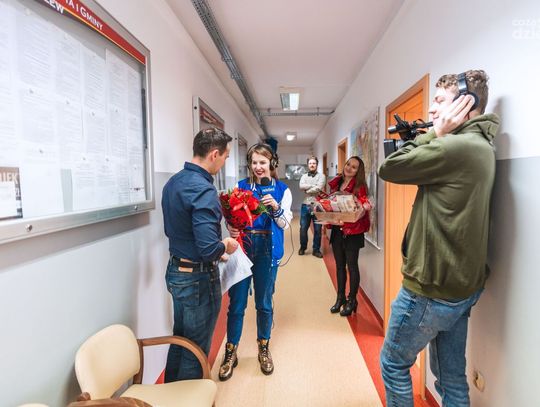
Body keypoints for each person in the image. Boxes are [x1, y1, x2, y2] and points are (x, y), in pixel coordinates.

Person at [378, 70, 499, 406]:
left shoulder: (455, 146)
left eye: (440, 101)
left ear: (465, 106)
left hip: (430, 289)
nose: (432, 110)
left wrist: (436, 133)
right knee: (450, 378)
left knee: (393, 364)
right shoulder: (481, 145)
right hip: (462, 285)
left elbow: (389, 167)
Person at [161, 127, 239, 382]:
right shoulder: (203, 190)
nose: (224, 162)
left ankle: (171, 394)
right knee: (195, 350)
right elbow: (208, 249)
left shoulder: (173, 182)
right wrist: (225, 246)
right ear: (214, 154)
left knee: (180, 340)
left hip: (177, 271)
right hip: (197, 280)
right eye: (225, 156)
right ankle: (189, 396)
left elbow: (180, 231)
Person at [218, 143, 293, 381]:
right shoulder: (240, 187)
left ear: (272, 163)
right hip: (243, 248)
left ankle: (263, 347)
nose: (258, 167)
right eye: (254, 162)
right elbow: (231, 218)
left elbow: (285, 224)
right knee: (237, 304)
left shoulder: (282, 190)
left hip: (267, 250)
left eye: (263, 162)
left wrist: (276, 207)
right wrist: (231, 227)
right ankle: (231, 352)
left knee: (264, 303)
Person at [327, 156, 371, 316]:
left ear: (358, 171)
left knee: (352, 267)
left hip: (353, 232)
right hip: (337, 230)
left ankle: (352, 300)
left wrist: (359, 209)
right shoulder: (336, 183)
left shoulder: (360, 187)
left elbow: (362, 209)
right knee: (339, 266)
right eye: (348, 164)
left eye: (354, 167)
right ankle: (340, 298)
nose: (349, 168)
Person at [298, 156, 326, 258]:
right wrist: (314, 186)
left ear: (317, 164)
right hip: (305, 205)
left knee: (318, 229)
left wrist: (308, 189)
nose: (312, 165)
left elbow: (319, 188)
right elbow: (301, 186)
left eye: (314, 163)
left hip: (318, 205)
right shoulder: (304, 176)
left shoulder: (322, 176)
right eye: (310, 163)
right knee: (303, 228)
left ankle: (316, 250)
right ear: (308, 165)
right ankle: (303, 247)